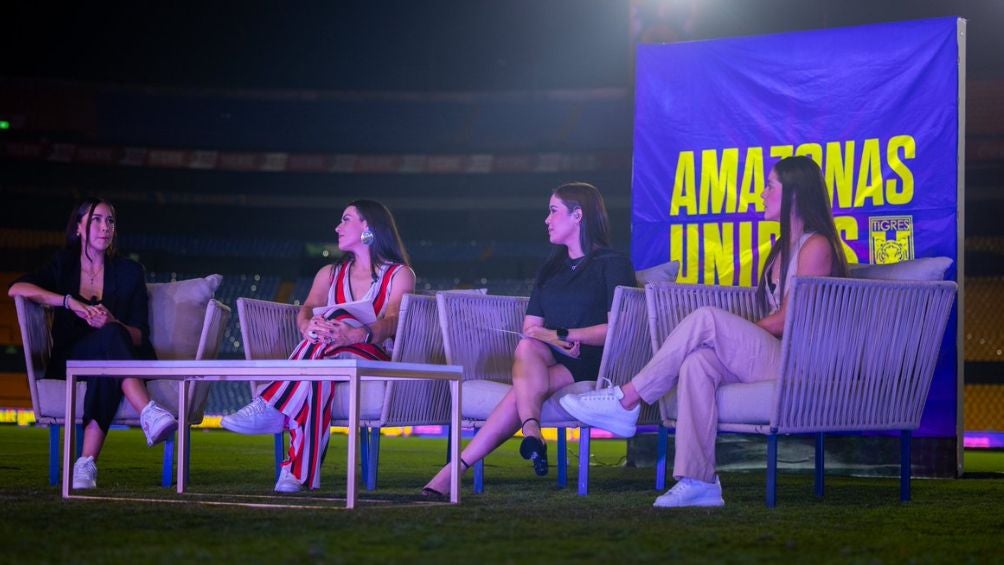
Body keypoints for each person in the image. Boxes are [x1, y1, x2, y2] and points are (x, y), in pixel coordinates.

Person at [560, 155, 849, 508]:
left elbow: (790, 319)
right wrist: (735, 335)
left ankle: (627, 398)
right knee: (697, 363)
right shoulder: (781, 249)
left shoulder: (816, 245)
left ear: (793, 194)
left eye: (769, 186)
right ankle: (699, 481)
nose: (762, 193)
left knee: (708, 320)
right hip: (775, 355)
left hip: (801, 362)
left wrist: (733, 331)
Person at [421, 182, 636, 498]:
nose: (547, 220)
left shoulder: (612, 263)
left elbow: (618, 328)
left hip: (594, 361)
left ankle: (456, 470)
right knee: (526, 345)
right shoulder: (551, 269)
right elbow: (531, 327)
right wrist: (551, 338)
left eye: (553, 211)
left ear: (578, 215)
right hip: (547, 356)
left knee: (520, 392)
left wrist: (564, 335)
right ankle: (530, 429)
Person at [222, 200, 416, 493]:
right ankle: (297, 475)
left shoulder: (399, 274)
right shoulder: (329, 273)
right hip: (330, 352)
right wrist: (306, 325)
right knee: (319, 368)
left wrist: (357, 333)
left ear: (367, 226)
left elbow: (392, 321)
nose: (337, 227)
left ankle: (272, 404)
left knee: (334, 315)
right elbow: (309, 308)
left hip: (375, 355)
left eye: (345, 219)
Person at [8, 198, 176, 489]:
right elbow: (17, 288)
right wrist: (68, 301)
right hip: (72, 359)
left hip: (115, 359)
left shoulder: (130, 272)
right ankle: (148, 410)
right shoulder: (63, 265)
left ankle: (85, 464)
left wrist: (112, 322)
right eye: (97, 219)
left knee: (109, 349)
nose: (105, 227)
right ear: (79, 227)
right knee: (106, 355)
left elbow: (139, 335)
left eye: (110, 221)